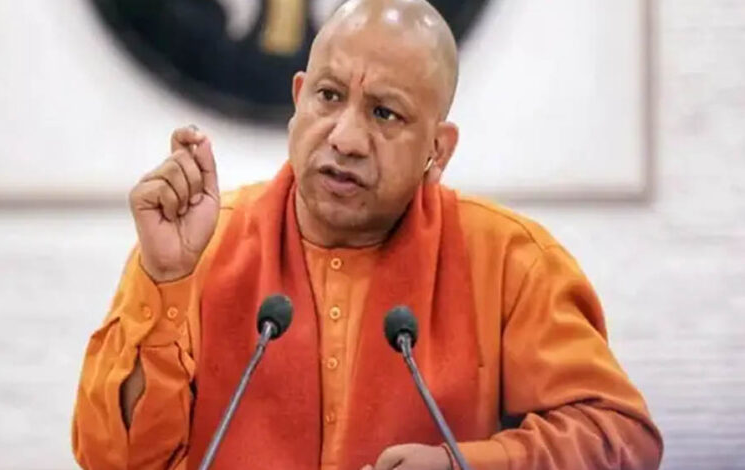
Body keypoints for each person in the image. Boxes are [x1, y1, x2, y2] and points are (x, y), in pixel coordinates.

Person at [71, 0, 663, 469]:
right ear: (298, 100)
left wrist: (467, 464)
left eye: (385, 113)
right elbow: (112, 459)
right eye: (329, 97)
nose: (346, 138)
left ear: (438, 150)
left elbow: (620, 438)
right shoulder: (198, 247)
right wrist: (165, 282)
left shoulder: (509, 261)